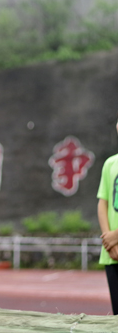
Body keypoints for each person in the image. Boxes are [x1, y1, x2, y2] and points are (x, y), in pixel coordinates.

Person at [97, 117, 118, 315]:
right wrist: (109, 241)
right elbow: (102, 203)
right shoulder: (110, 164)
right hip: (113, 254)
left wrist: (115, 236)